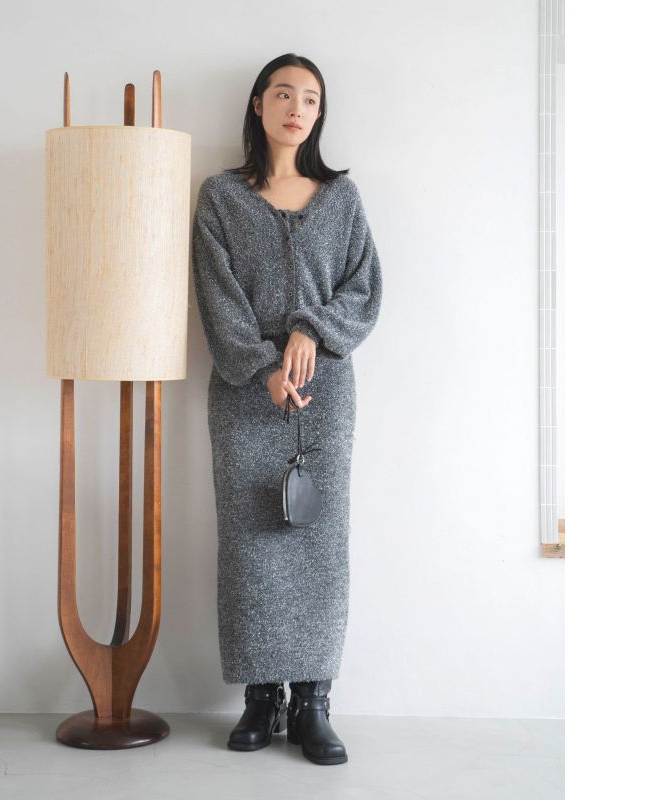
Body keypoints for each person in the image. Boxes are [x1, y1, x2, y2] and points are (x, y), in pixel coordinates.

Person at [191, 52, 383, 766]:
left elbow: (365, 287)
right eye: (282, 94)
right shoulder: (221, 196)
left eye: (309, 98)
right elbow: (215, 293)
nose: (295, 108)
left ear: (319, 113)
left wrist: (311, 329)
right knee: (250, 540)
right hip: (245, 392)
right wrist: (263, 367)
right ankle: (260, 696)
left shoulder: (342, 199)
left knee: (318, 540)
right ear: (257, 104)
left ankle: (313, 700)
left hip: (325, 393)